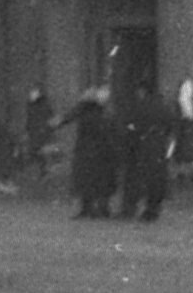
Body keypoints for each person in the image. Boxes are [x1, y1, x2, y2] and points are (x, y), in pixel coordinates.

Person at [115, 91, 172, 224]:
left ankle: (135, 207)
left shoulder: (141, 108)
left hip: (144, 146)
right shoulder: (164, 108)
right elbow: (170, 125)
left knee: (140, 177)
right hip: (159, 145)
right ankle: (153, 207)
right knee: (156, 177)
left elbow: (135, 126)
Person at [67, 90, 119, 219]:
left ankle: (89, 208)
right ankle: (100, 208)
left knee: (88, 181)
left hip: (88, 152)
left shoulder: (86, 114)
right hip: (101, 152)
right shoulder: (103, 115)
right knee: (100, 181)